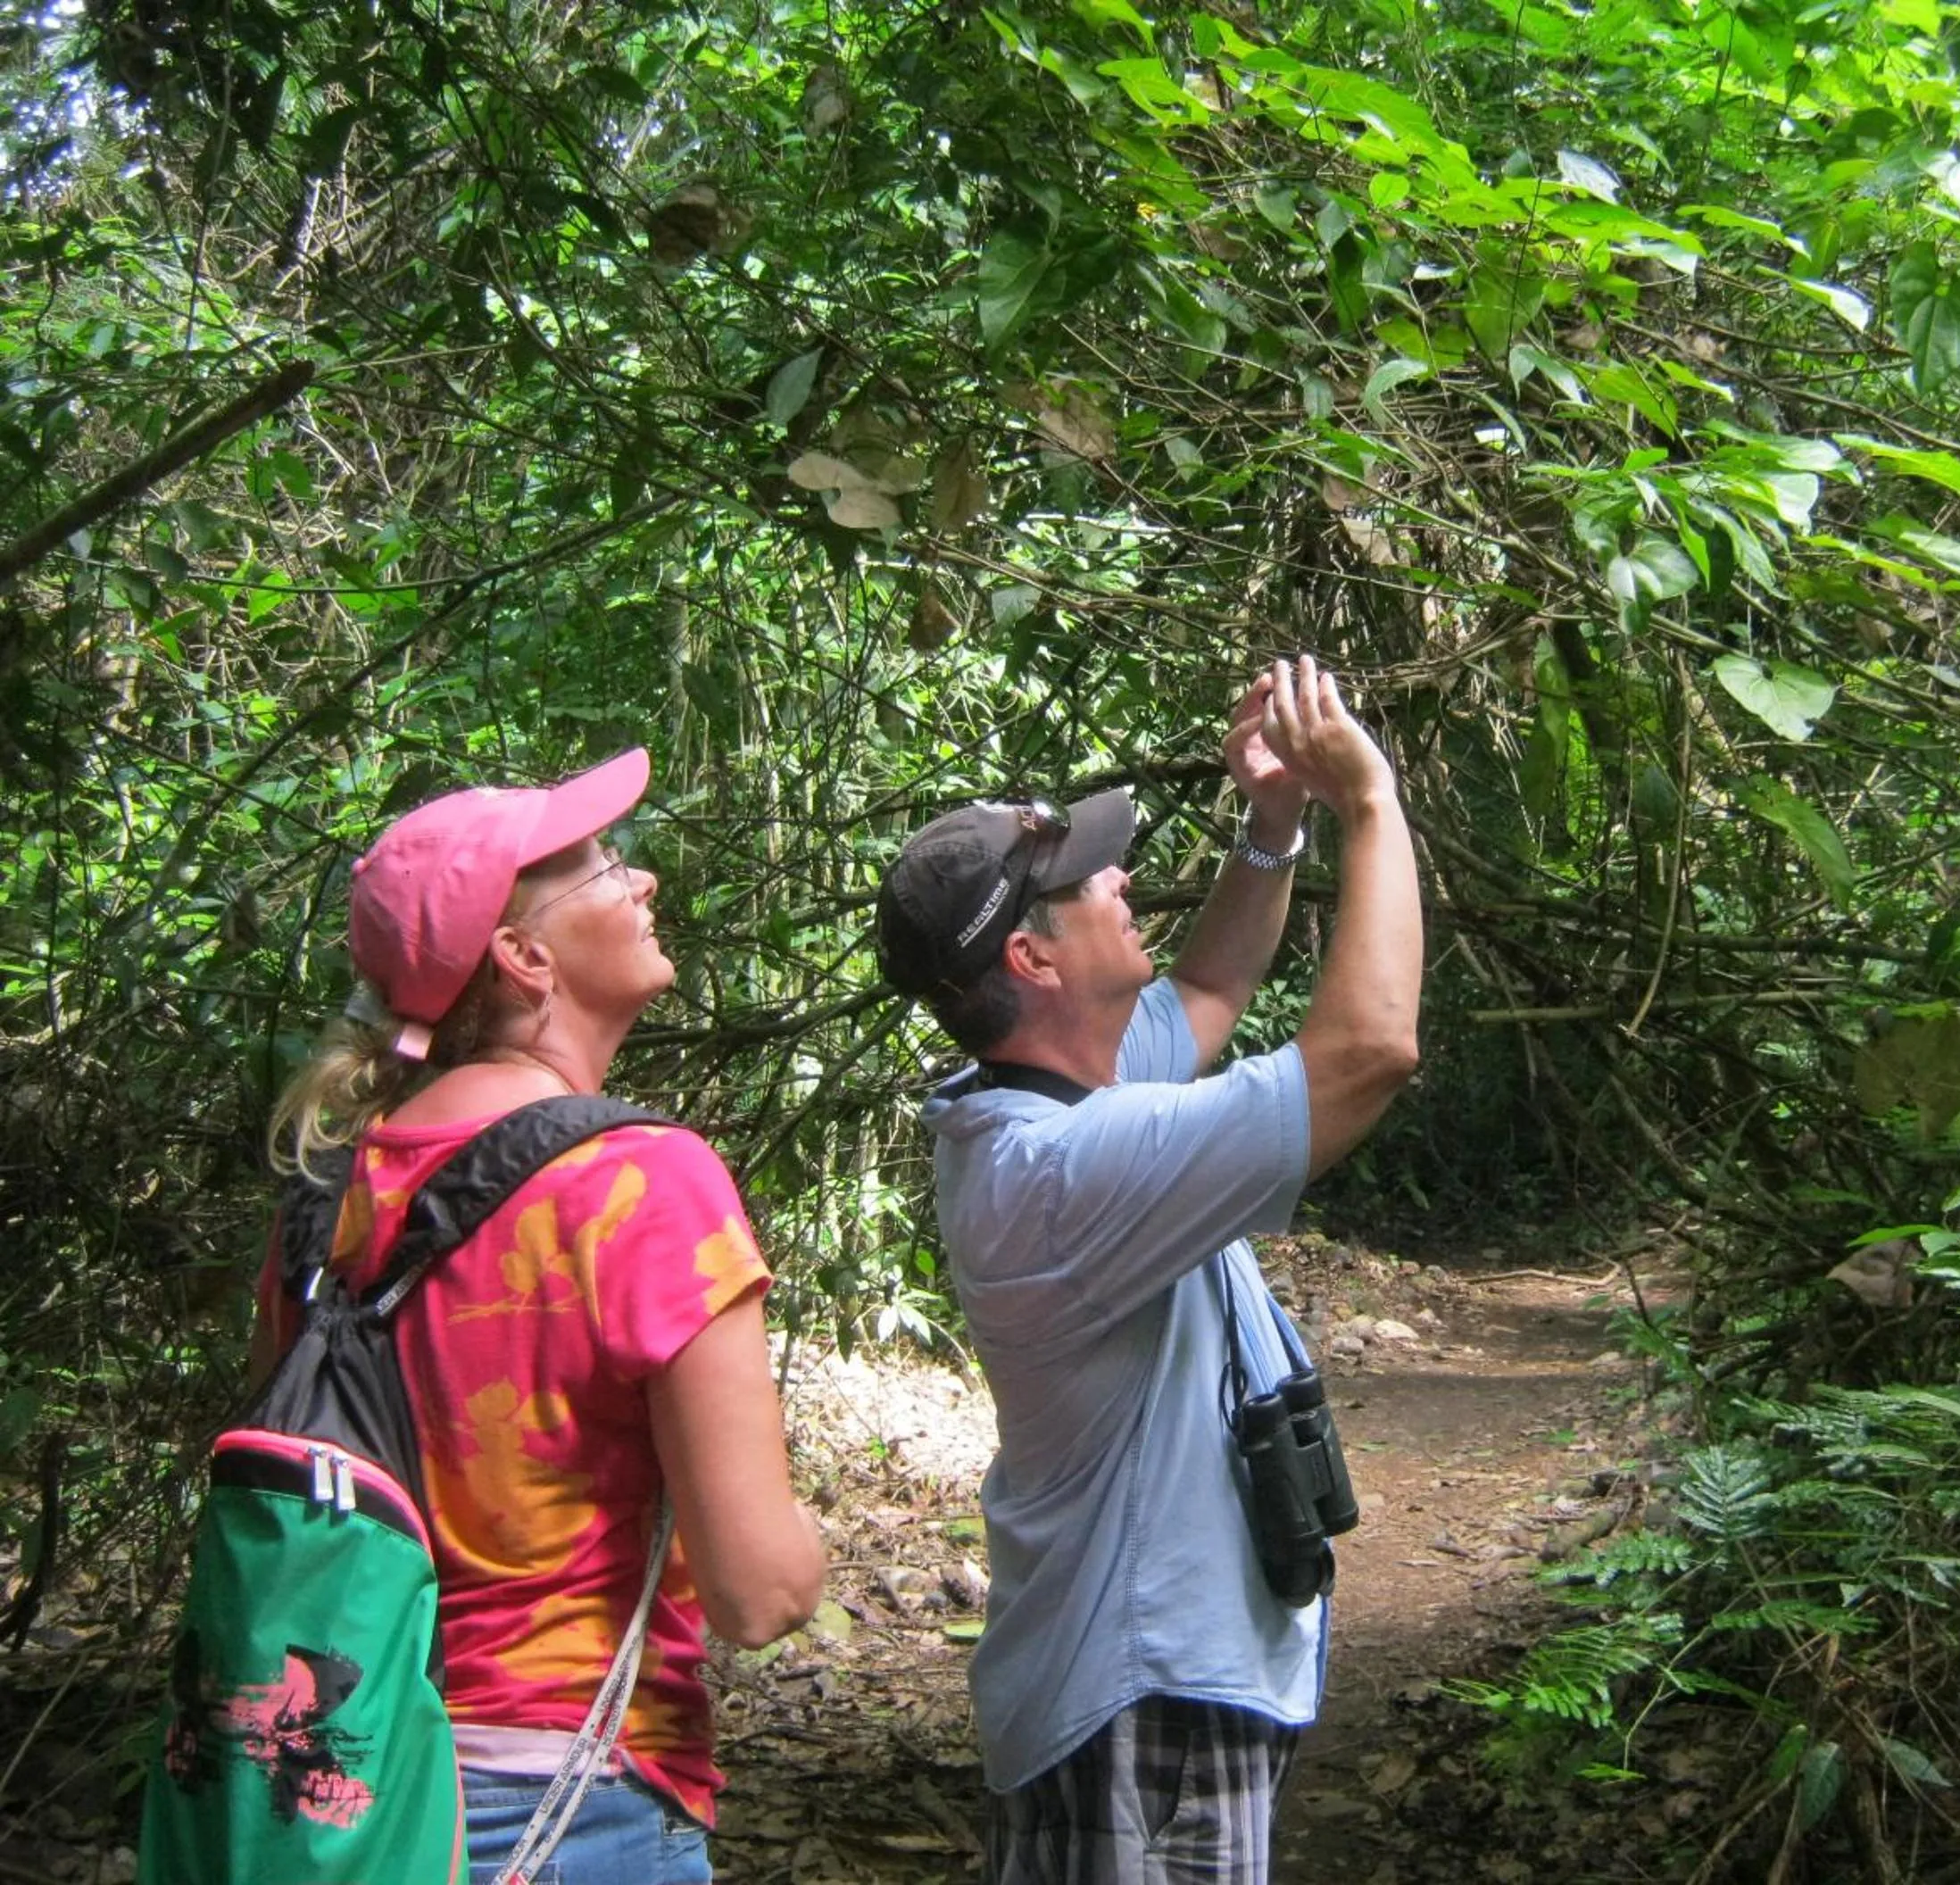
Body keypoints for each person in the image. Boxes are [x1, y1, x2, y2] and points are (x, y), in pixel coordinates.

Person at [875, 654, 1424, 1883]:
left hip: (1153, 1684)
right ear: (1034, 960)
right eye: (1084, 883)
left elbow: (1214, 983)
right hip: (1141, 1705)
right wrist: (1368, 802)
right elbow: (1370, 1050)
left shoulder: (1060, 1093)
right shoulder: (1061, 1171)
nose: (1119, 878)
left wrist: (1272, 825)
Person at [254, 747, 826, 1884]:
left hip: (337, 1785)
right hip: (566, 1804)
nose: (641, 880)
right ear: (523, 957)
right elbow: (759, 1593)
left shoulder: (325, 1201)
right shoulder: (641, 1181)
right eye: (605, 867)